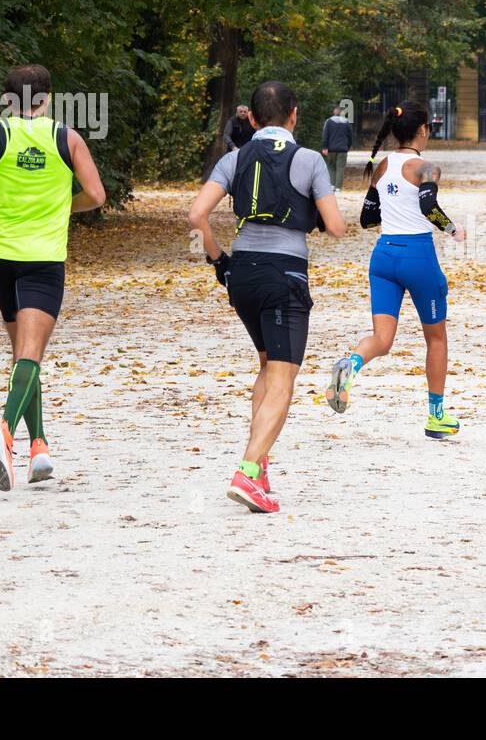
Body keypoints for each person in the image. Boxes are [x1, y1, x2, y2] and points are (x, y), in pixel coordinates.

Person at [189, 80, 347, 513]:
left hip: (242, 275)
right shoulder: (309, 159)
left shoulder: (233, 158)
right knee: (283, 376)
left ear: (253, 119)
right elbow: (336, 227)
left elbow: (196, 215)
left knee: (266, 365)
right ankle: (247, 470)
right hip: (285, 276)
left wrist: (219, 260)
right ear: (294, 115)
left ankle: (259, 466)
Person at [0, 64, 107, 491]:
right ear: (48, 98)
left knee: (24, 352)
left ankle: (39, 447)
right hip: (43, 258)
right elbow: (96, 195)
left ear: (7, 100)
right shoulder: (67, 138)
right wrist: (62, 208)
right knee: (31, 353)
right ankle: (5, 433)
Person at [325, 101, 467, 438]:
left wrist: (393, 206)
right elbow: (428, 204)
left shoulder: (382, 166)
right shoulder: (426, 168)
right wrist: (452, 230)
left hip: (383, 258)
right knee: (436, 338)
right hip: (417, 257)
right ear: (422, 131)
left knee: (382, 338)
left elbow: (367, 219)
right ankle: (436, 416)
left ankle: (351, 364)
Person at [321, 104, 354, 190]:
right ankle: (338, 187)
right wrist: (348, 147)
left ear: (334, 112)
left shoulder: (329, 121)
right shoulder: (346, 123)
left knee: (331, 166)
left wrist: (325, 147)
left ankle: (332, 185)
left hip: (331, 149)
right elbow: (350, 136)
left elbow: (325, 135)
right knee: (340, 168)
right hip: (343, 149)